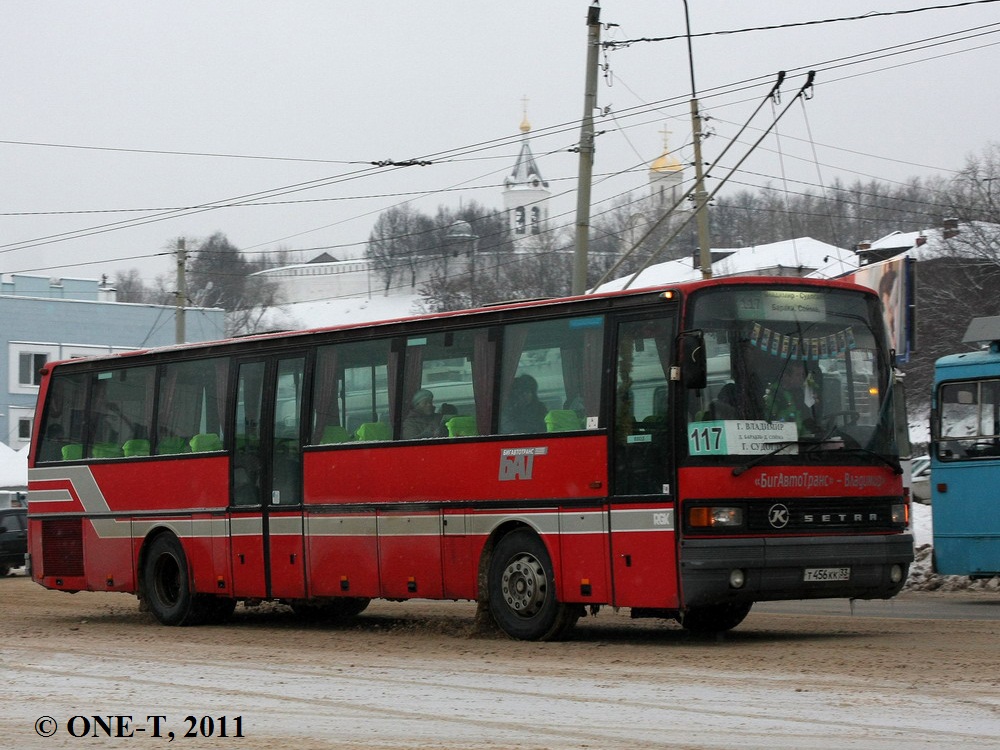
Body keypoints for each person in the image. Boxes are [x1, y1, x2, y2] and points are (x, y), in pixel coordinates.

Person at [763, 363, 819, 433]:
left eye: (802, 375)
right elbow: (769, 422)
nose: (801, 379)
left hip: (802, 439)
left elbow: (806, 419)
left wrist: (814, 405)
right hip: (783, 439)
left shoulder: (801, 392)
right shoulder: (774, 394)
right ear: (785, 376)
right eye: (797, 375)